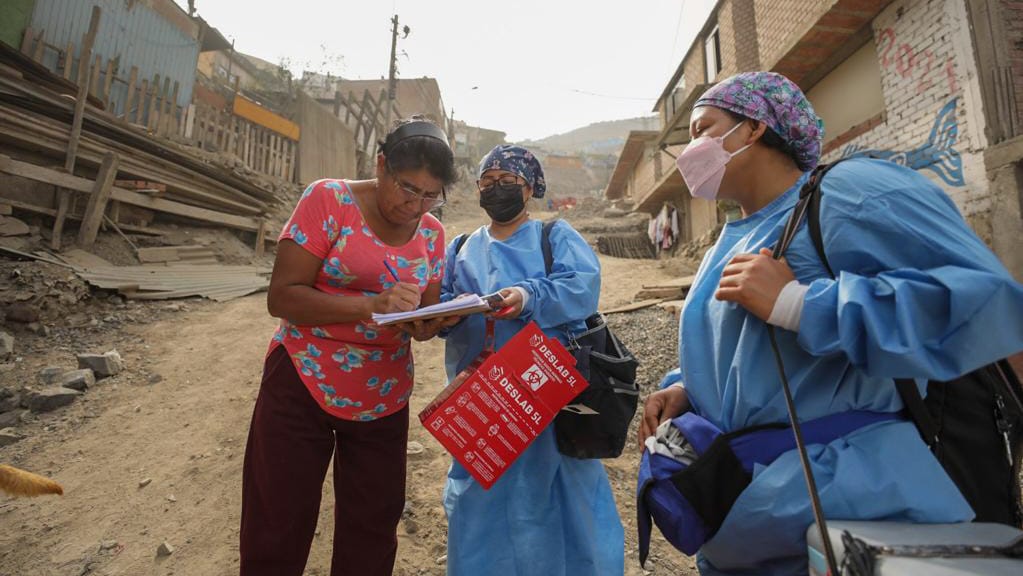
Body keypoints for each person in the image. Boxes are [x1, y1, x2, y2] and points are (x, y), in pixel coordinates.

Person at [639, 72, 1023, 575]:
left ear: (753, 129)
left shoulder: (846, 194)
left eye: (701, 128)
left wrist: (800, 305)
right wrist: (689, 387)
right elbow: (744, 350)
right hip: (747, 508)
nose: (690, 149)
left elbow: (985, 302)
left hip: (843, 508)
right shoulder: (725, 240)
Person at [240, 118, 459, 576]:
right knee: (277, 520)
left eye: (429, 195)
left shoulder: (433, 234)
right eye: (406, 187)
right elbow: (282, 297)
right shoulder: (329, 201)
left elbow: (423, 319)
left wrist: (434, 321)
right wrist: (369, 306)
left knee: (372, 529)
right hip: (302, 378)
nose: (414, 204)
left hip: (383, 396)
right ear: (380, 165)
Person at [439, 145, 624, 575]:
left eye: (508, 181)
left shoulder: (554, 236)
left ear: (531, 188)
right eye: (487, 181)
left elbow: (581, 290)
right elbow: (442, 304)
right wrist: (446, 314)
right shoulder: (461, 246)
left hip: (545, 396)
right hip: (482, 401)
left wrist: (526, 296)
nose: (495, 188)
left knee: (563, 497)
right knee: (479, 497)